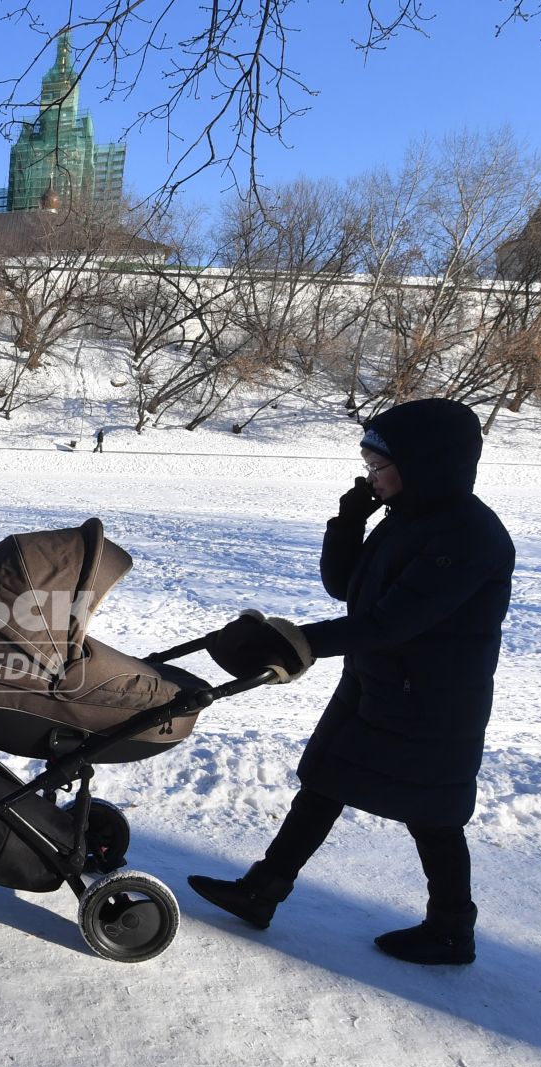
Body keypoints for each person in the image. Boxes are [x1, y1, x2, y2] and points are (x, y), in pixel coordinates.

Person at [190, 398, 515, 965]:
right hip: (378, 683)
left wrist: (298, 644)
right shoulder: (408, 519)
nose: (369, 476)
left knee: (433, 814)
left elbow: (392, 622)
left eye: (377, 465)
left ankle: (450, 931)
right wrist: (349, 521)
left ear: (425, 463)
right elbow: (346, 588)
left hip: (432, 702)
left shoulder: (467, 537)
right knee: (325, 783)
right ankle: (261, 891)